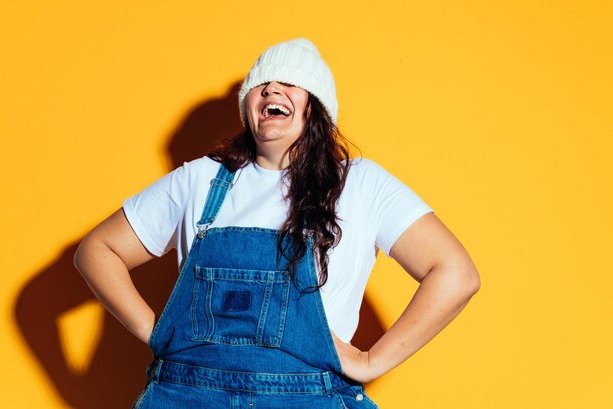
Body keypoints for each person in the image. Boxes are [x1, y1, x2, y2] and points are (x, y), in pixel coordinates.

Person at [74, 38, 480, 409]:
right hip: (186, 394)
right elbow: (96, 250)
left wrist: (372, 361)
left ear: (316, 106)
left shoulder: (359, 184)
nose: (271, 89)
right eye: (261, 84)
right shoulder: (198, 180)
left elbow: (455, 273)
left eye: (290, 83)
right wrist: (156, 331)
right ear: (248, 105)